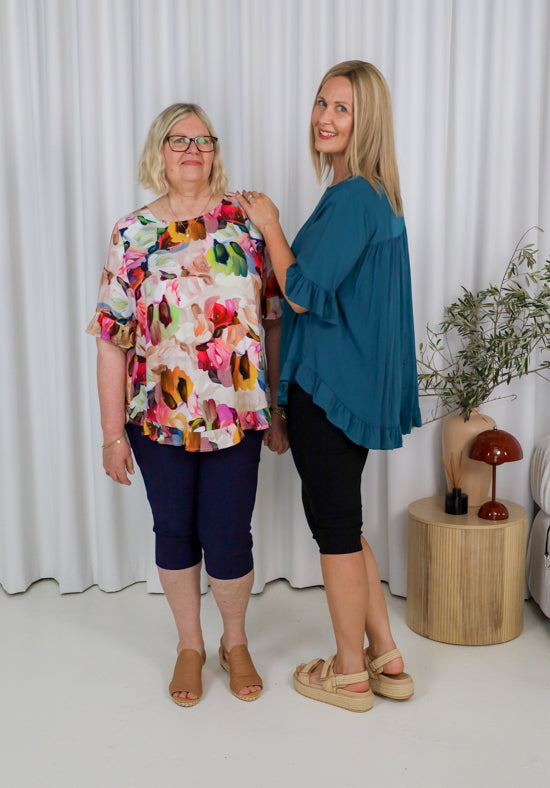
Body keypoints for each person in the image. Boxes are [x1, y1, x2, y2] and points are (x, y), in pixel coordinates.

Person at [87, 102, 288, 707]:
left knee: (229, 534)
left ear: (215, 151)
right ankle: (190, 646)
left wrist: (279, 407)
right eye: (179, 140)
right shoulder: (132, 232)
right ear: (160, 151)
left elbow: (275, 322)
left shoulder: (248, 223)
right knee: (174, 530)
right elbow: (110, 338)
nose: (192, 150)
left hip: (238, 413)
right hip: (155, 417)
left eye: (203, 141)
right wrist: (111, 434)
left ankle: (236, 641)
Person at [236, 61, 421, 712]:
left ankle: (348, 672)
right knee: (348, 521)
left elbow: (305, 293)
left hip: (332, 388)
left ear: (365, 119)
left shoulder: (355, 198)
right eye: (321, 102)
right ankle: (386, 656)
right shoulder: (364, 195)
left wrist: (270, 225)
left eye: (342, 108)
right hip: (343, 387)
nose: (325, 117)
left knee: (336, 529)